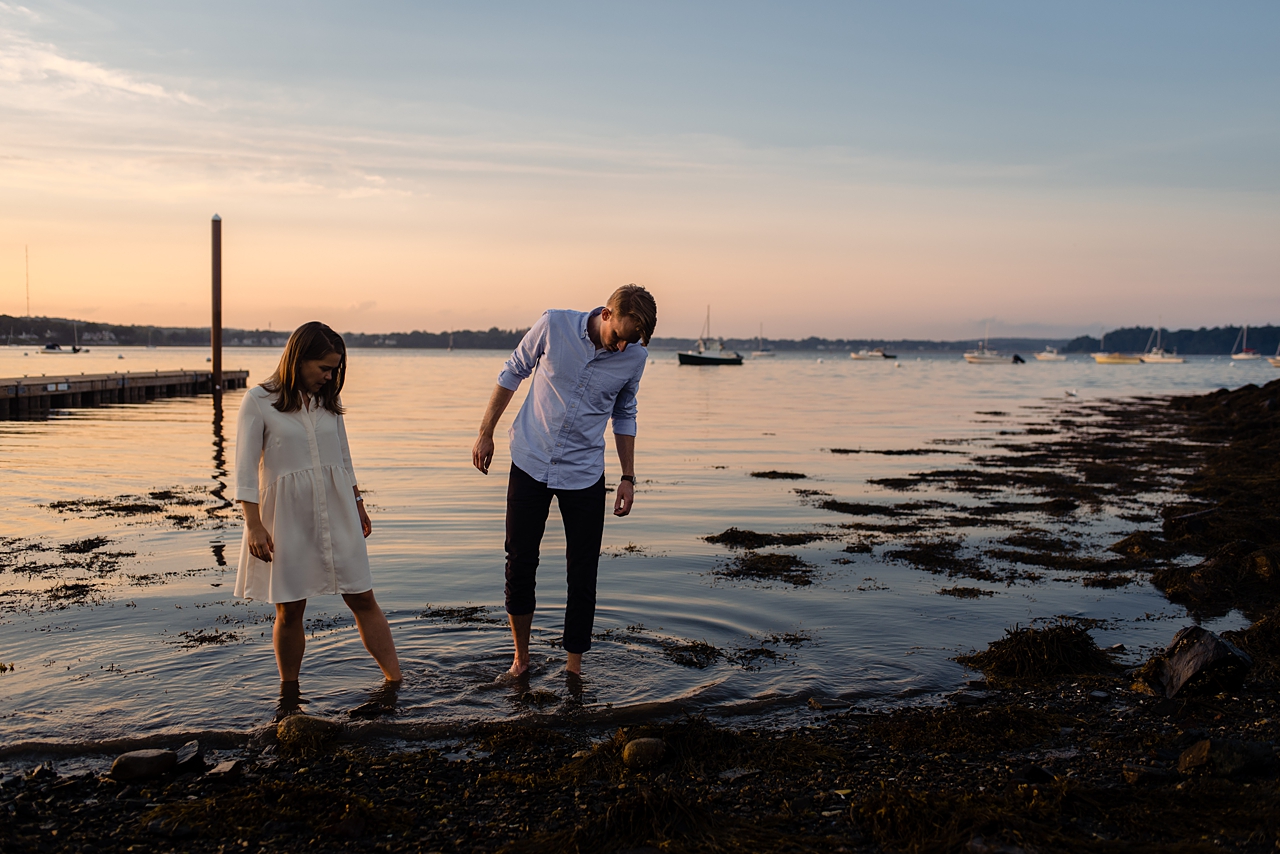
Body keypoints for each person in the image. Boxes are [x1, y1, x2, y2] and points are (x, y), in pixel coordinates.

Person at [472, 284, 657, 677]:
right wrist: (486, 431)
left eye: (632, 342)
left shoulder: (634, 356)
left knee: (583, 572)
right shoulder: (554, 325)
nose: (623, 348)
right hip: (530, 459)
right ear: (606, 314)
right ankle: (521, 660)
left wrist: (628, 476)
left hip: (585, 472)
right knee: (520, 562)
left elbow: (625, 413)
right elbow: (512, 372)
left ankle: (573, 670)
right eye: (619, 338)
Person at [234, 321, 401, 705]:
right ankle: (289, 696)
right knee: (291, 608)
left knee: (363, 596)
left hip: (338, 507)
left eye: (334, 369)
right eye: (324, 368)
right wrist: (254, 526)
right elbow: (244, 471)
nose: (329, 377)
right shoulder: (259, 400)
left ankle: (395, 681)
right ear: (298, 358)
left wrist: (358, 503)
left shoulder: (328, 402)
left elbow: (343, 456)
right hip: (286, 517)